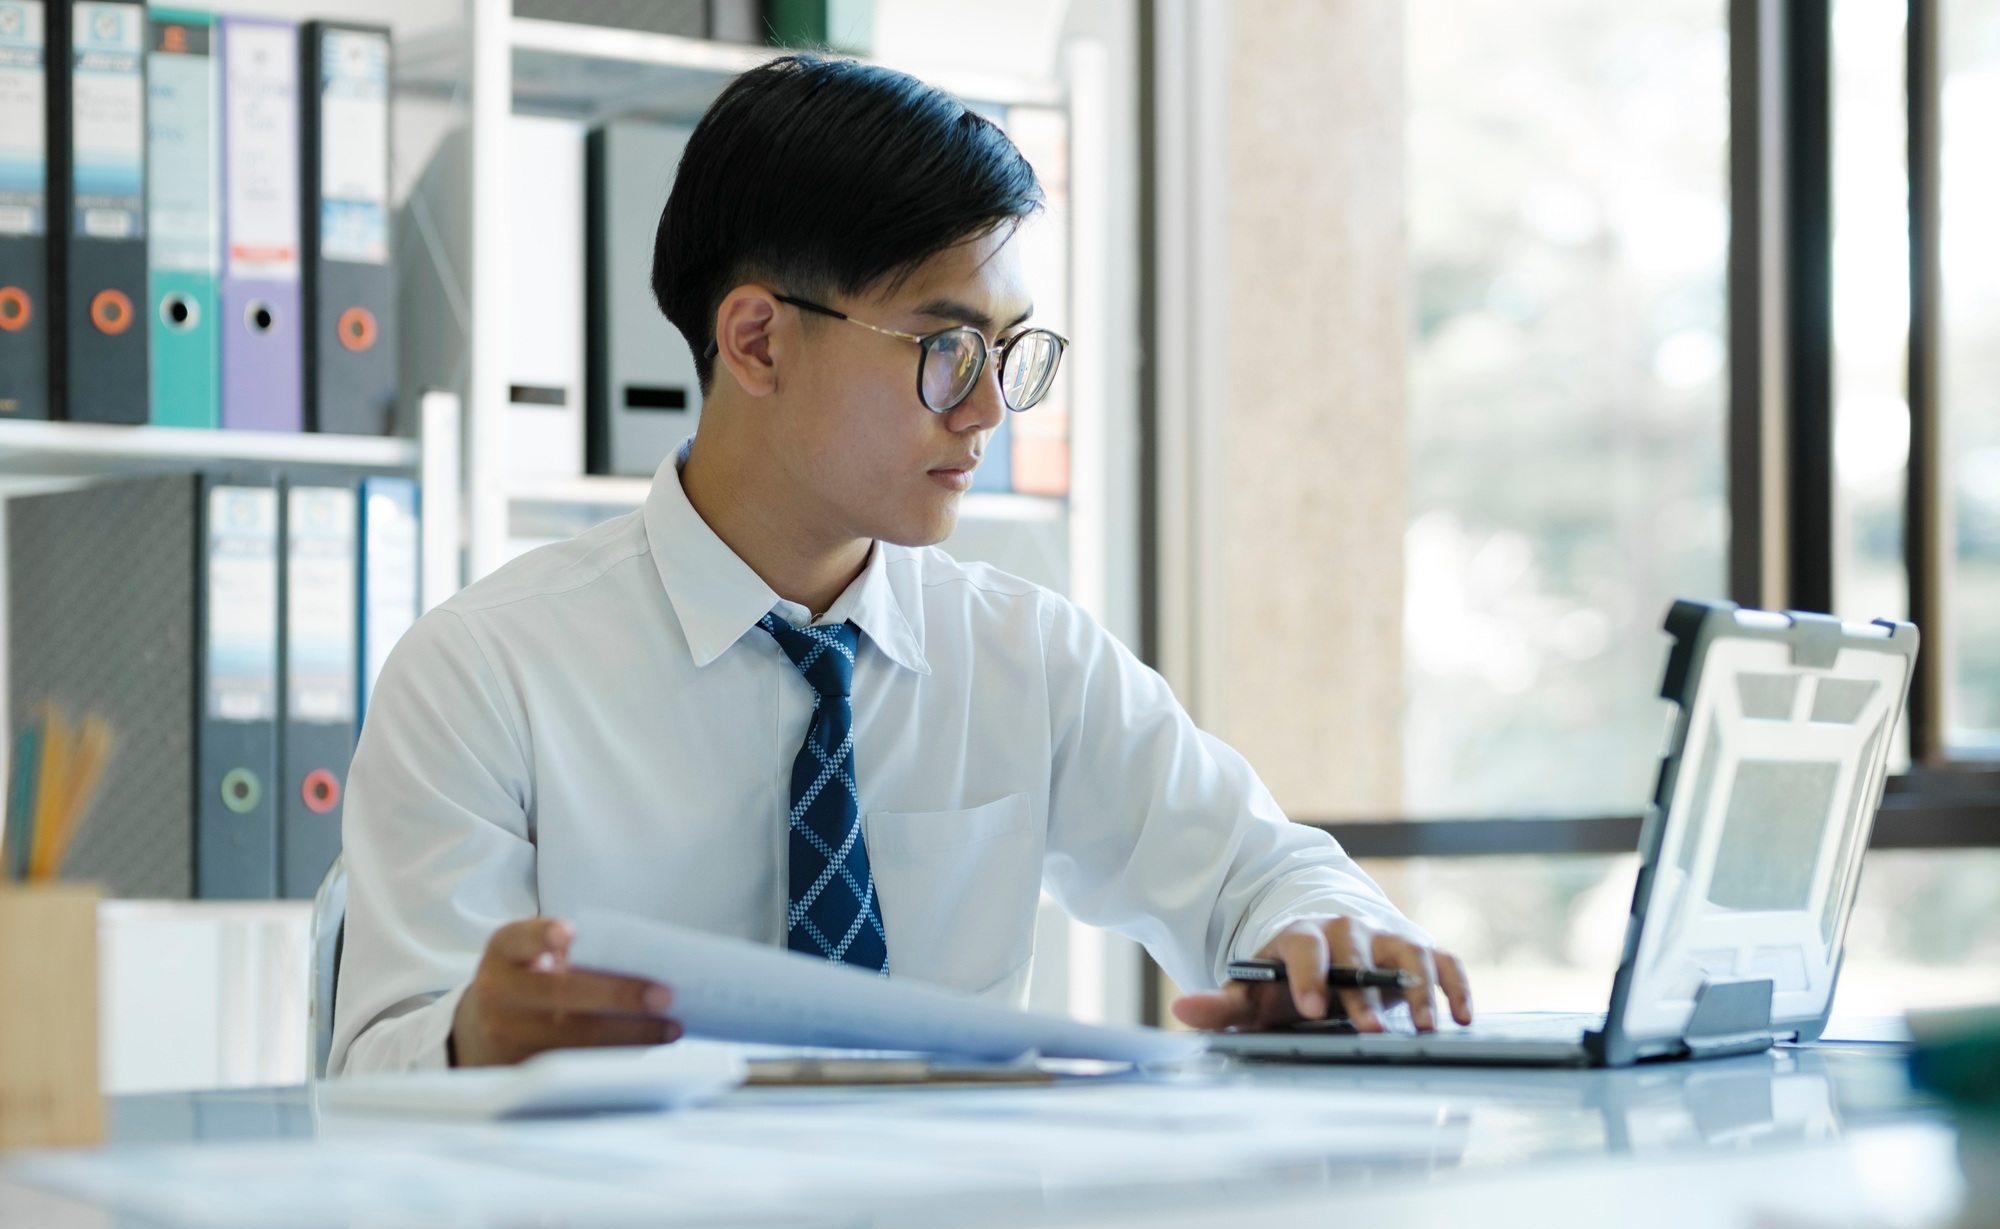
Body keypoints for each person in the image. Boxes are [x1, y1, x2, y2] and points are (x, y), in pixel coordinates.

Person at [328, 54, 1471, 1075]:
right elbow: (377, 1059)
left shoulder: (1025, 652)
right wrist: (477, 1035)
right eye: (945, 349)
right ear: (758, 340)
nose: (985, 409)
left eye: (1008, 352)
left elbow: (1258, 871)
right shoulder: (484, 671)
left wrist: (1329, 937)